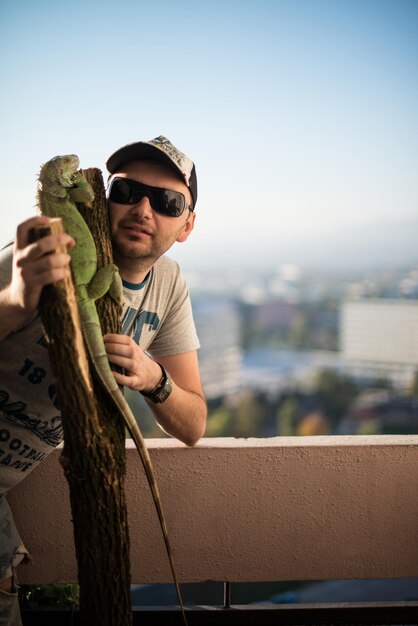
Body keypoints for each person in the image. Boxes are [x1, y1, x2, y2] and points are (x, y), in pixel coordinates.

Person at [0, 135, 207, 624]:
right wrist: (17, 297)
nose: (142, 209)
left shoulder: (169, 285)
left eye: (167, 201)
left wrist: (153, 377)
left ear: (186, 225)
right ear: (103, 196)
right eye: (127, 190)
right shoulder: (45, 251)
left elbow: (194, 423)